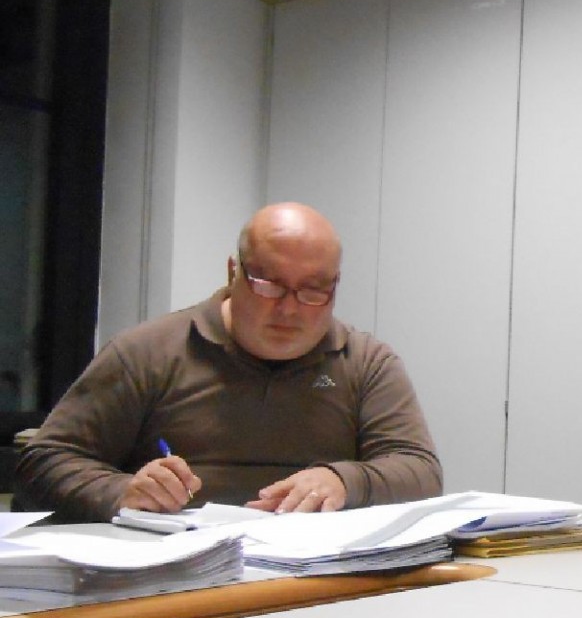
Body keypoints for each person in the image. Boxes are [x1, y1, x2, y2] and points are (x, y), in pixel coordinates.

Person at [14, 202, 442, 522]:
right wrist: (121, 490)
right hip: (173, 575)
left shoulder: (366, 363)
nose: (289, 309)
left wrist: (342, 480)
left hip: (315, 578)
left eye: (314, 290)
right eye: (268, 284)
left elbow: (420, 472)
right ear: (233, 273)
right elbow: (43, 464)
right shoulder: (148, 353)